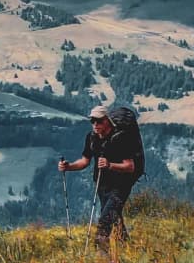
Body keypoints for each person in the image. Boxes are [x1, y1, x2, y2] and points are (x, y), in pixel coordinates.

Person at [58, 105, 140, 253]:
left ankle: (101, 253)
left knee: (105, 220)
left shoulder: (120, 138)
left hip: (121, 185)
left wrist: (110, 165)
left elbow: (130, 166)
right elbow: (85, 161)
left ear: (107, 121)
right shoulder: (92, 138)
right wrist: (68, 166)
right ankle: (128, 249)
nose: (95, 124)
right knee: (114, 218)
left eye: (99, 121)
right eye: (92, 121)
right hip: (102, 185)